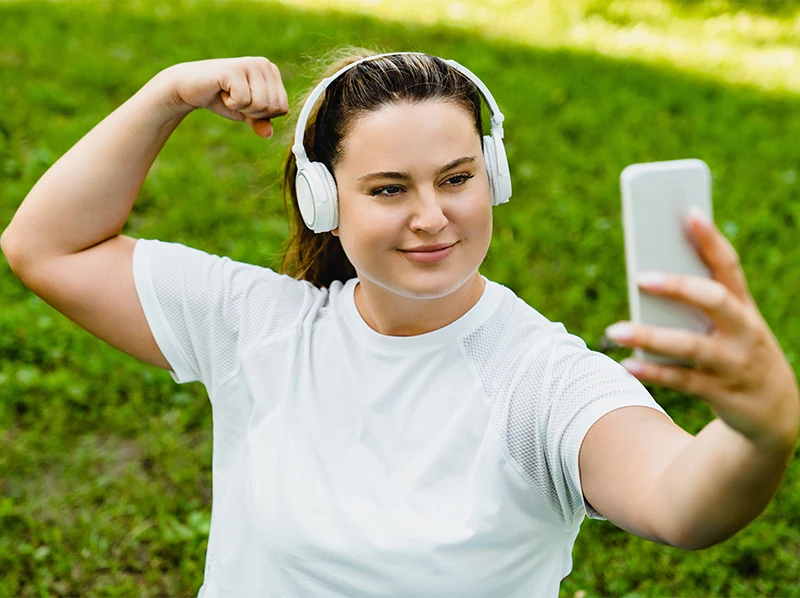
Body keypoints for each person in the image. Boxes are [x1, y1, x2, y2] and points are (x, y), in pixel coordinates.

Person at [1, 49, 797, 598]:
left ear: (494, 176)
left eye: (456, 178)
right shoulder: (261, 329)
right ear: (325, 203)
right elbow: (45, 246)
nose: (431, 217)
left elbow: (680, 501)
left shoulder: (539, 377)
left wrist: (758, 430)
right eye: (387, 189)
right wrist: (166, 94)